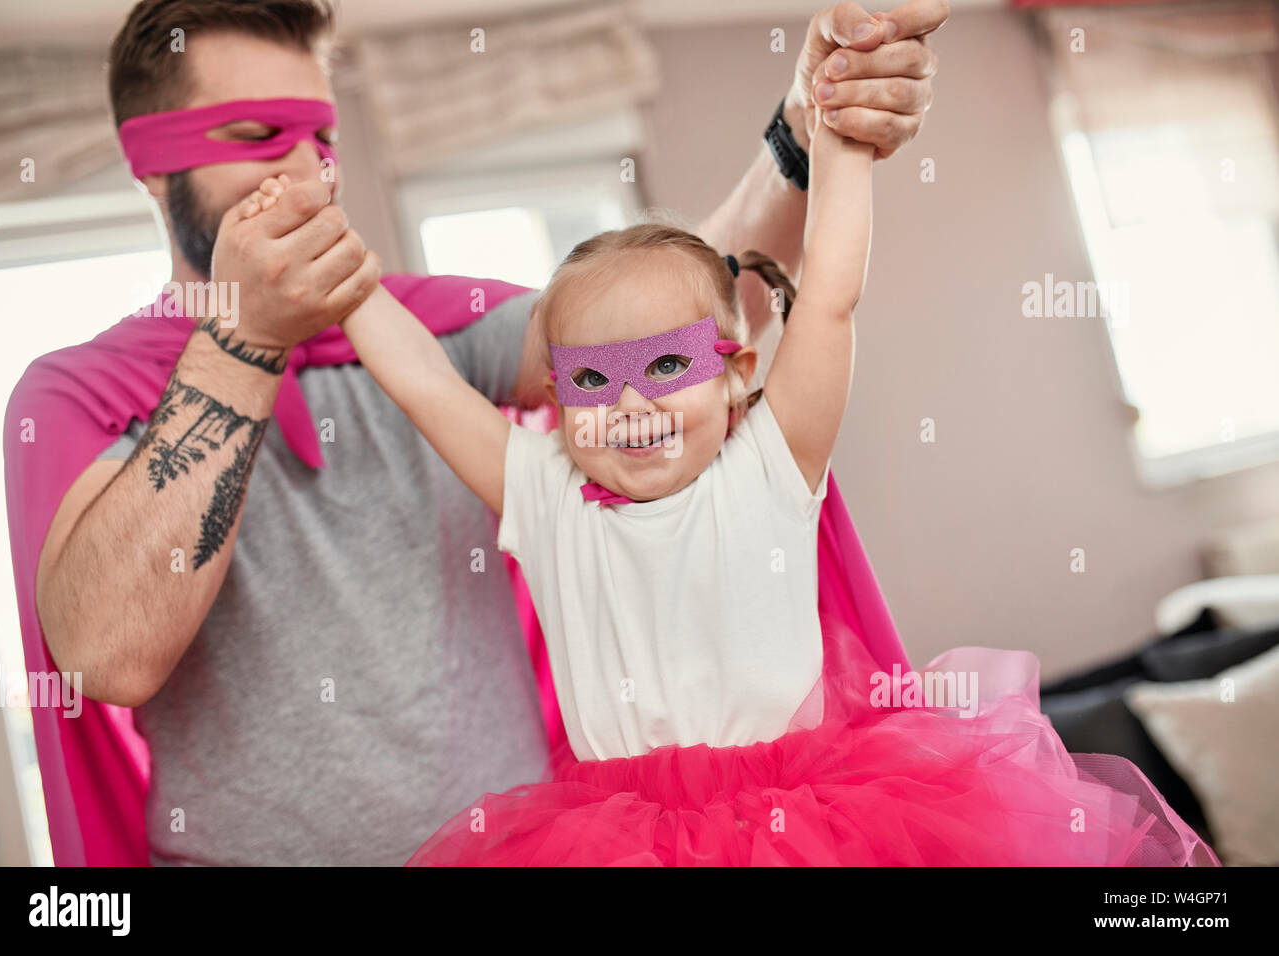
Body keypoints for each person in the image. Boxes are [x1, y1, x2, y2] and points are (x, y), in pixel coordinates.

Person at [4, 0, 947, 865]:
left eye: (322, 137)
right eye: (256, 135)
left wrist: (803, 134)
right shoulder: (77, 393)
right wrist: (244, 338)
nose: (302, 169)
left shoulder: (436, 327)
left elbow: (658, 320)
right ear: (150, 158)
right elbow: (109, 655)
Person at [231, 81, 1219, 866]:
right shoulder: (541, 489)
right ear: (559, 401)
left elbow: (826, 303)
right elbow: (423, 381)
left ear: (737, 372)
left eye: (666, 364)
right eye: (592, 379)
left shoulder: (772, 461)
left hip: (819, 820)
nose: (630, 402)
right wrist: (333, 245)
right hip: (612, 833)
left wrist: (838, 147)